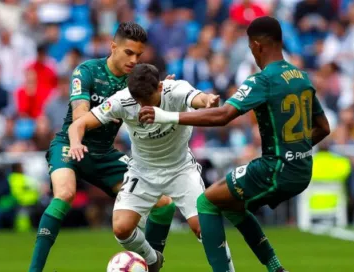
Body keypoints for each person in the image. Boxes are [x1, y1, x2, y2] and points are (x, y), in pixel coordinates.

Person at [138, 16, 331, 272]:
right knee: (229, 201)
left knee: (206, 201)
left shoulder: (262, 80)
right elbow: (324, 128)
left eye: (250, 47)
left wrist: (166, 115)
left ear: (257, 45)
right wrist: (296, 151)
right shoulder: (302, 77)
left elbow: (223, 115)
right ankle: (275, 267)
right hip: (302, 169)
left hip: (275, 169)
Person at [28, 22, 176, 272]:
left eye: (138, 55)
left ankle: (153, 264)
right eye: (128, 53)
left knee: (164, 204)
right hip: (69, 145)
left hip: (105, 154)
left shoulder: (135, 82)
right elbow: (80, 115)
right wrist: (76, 142)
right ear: (113, 46)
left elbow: (153, 108)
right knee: (64, 194)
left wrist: (162, 95)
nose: (134, 60)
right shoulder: (86, 71)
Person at [68, 64, 235, 272]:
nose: (144, 107)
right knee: (121, 228)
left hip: (180, 169)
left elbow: (198, 98)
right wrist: (76, 143)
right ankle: (152, 259)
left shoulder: (175, 89)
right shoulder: (123, 100)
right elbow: (78, 124)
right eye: (140, 102)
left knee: (205, 229)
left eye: (149, 100)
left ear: (160, 87)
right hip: (142, 171)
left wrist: (208, 100)